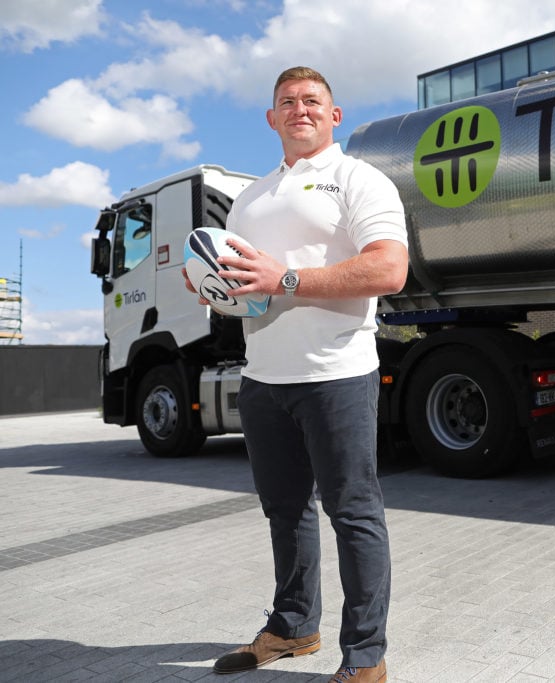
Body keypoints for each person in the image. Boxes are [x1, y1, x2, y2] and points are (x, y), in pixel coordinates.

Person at [185, 66, 407, 683]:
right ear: (271, 118)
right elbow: (241, 291)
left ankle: (365, 658)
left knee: (353, 511)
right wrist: (211, 285)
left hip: (337, 370)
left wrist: (287, 279)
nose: (300, 109)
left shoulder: (359, 180)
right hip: (263, 376)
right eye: (287, 101)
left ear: (335, 116)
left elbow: (389, 270)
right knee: (285, 511)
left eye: (313, 101)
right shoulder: (250, 199)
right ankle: (293, 627)